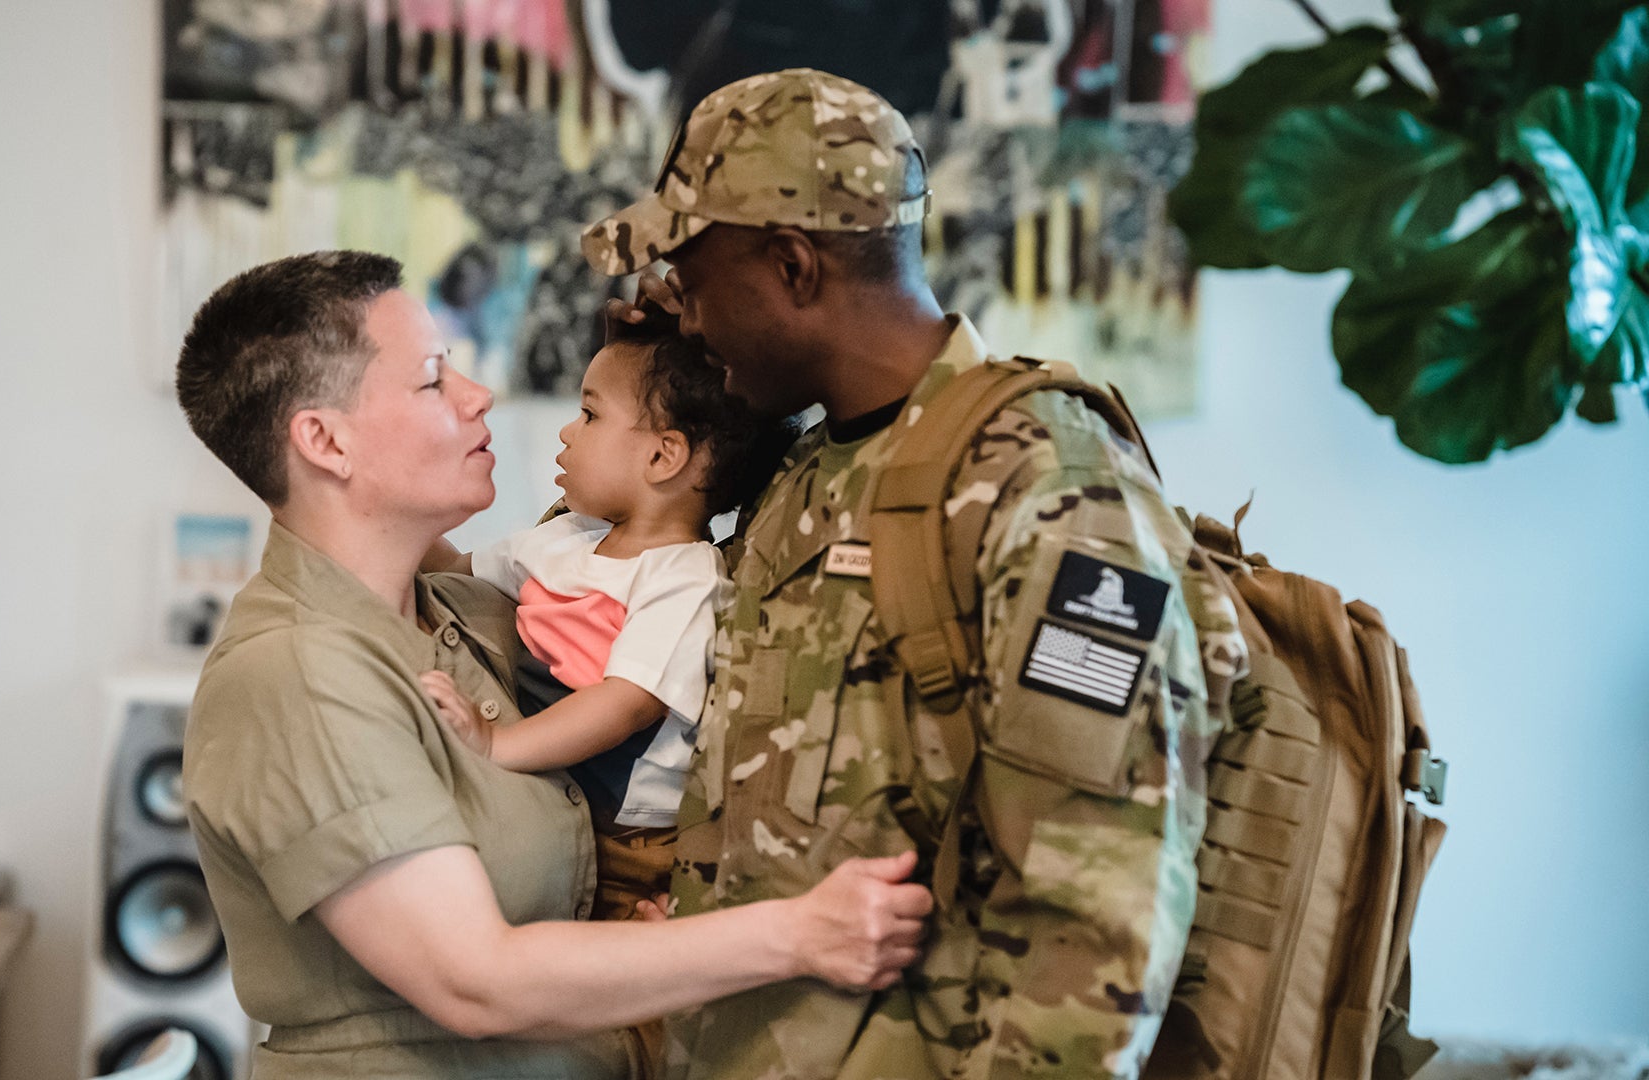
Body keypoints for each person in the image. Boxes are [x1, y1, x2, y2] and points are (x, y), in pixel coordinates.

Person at [579, 69, 1248, 1079]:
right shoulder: (809, 475)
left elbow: (1093, 925)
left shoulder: (1048, 492)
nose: (688, 310)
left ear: (794, 267)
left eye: (695, 275)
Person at [173, 249, 931, 1080]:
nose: (479, 395)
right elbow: (474, 982)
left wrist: (681, 362)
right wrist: (799, 934)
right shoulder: (300, 675)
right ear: (324, 440)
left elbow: (616, 557)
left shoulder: (461, 613)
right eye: (433, 380)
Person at [420, 302, 797, 926]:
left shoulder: (684, 579)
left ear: (664, 457)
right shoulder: (564, 539)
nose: (568, 432)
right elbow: (453, 571)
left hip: (628, 847)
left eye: (591, 414)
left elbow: (624, 704)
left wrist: (497, 745)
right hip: (550, 801)